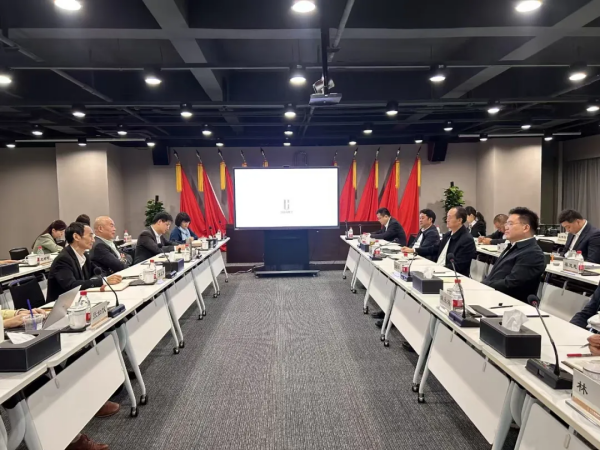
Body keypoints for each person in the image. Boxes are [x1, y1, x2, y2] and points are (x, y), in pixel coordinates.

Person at [482, 207, 546, 302]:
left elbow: (512, 284)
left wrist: (484, 285)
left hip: (510, 304)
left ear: (526, 228)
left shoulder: (532, 253)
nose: (506, 227)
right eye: (506, 223)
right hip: (495, 297)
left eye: (510, 224)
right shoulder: (513, 246)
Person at [47, 222, 122, 303]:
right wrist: (101, 281)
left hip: (80, 300)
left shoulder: (84, 255)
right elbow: (71, 285)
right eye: (90, 236)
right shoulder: (63, 259)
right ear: (76, 237)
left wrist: (98, 282)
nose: (93, 240)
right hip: (60, 305)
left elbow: (98, 271)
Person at [435, 207, 476, 276]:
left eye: (450, 217)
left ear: (459, 220)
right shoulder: (448, 235)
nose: (447, 220)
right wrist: (417, 250)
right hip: (439, 270)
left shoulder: (467, 239)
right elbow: (435, 248)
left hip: (452, 275)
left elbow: (458, 265)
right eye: (447, 217)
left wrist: (438, 269)